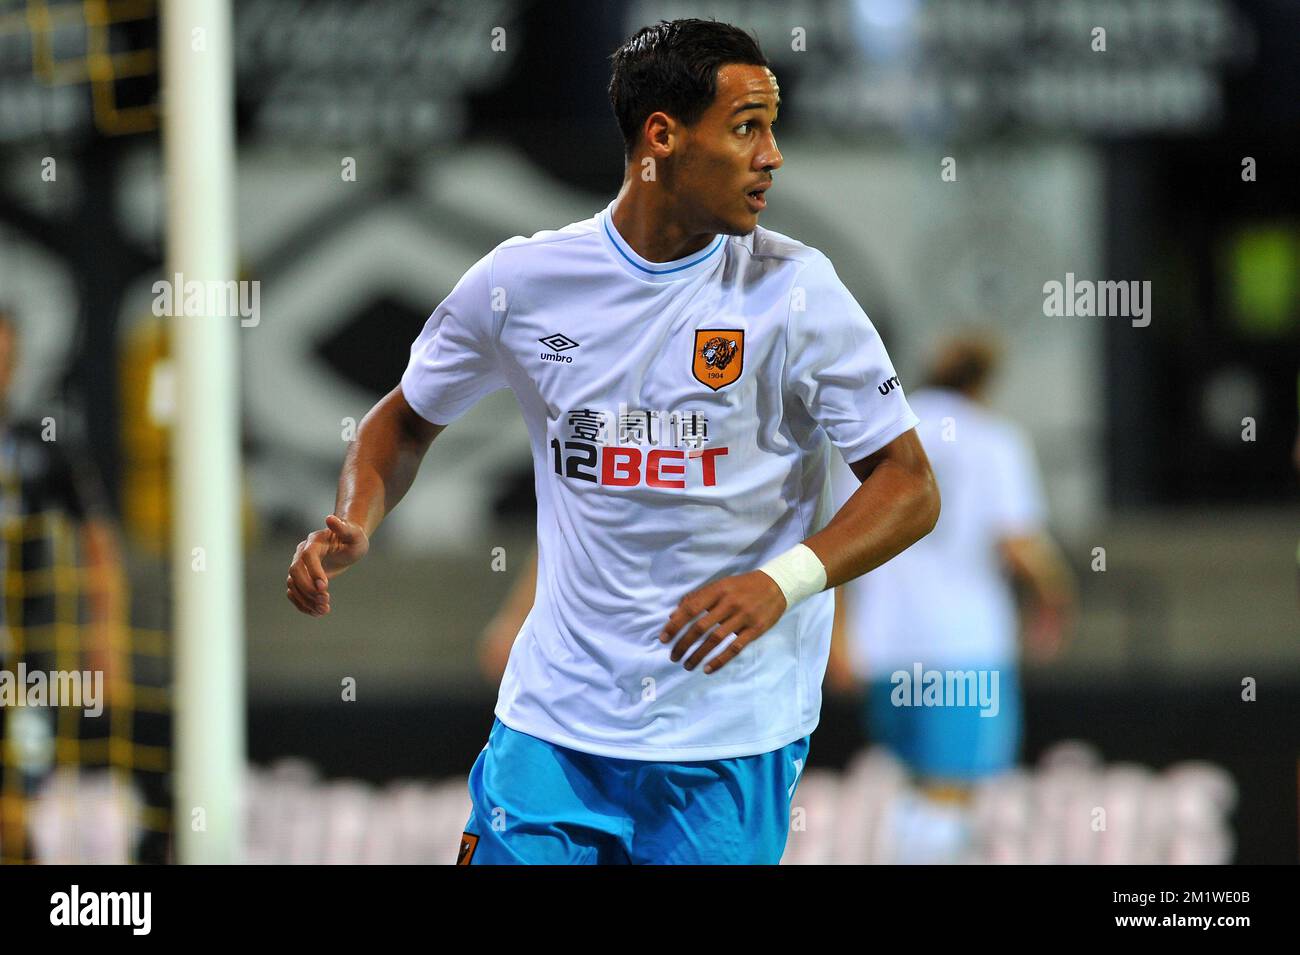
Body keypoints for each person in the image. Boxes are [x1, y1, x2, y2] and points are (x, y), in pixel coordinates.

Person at [286, 18, 939, 865]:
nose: (772, 154)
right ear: (663, 137)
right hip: (553, 730)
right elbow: (405, 418)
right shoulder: (524, 282)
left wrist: (784, 582)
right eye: (747, 127)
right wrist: (356, 516)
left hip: (727, 739)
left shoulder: (797, 292)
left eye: (773, 127)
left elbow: (910, 483)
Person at [826, 332, 1075, 863]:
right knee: (953, 793)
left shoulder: (878, 438)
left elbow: (841, 541)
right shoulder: (994, 439)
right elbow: (1018, 541)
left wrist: (840, 636)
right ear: (983, 382)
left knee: (911, 787)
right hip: (963, 647)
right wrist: (1057, 598)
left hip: (886, 645)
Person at [0, 310, 126, 862]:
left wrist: (107, 634)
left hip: (25, 661)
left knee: (25, 793)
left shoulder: (37, 444)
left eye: (5, 360)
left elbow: (97, 539)